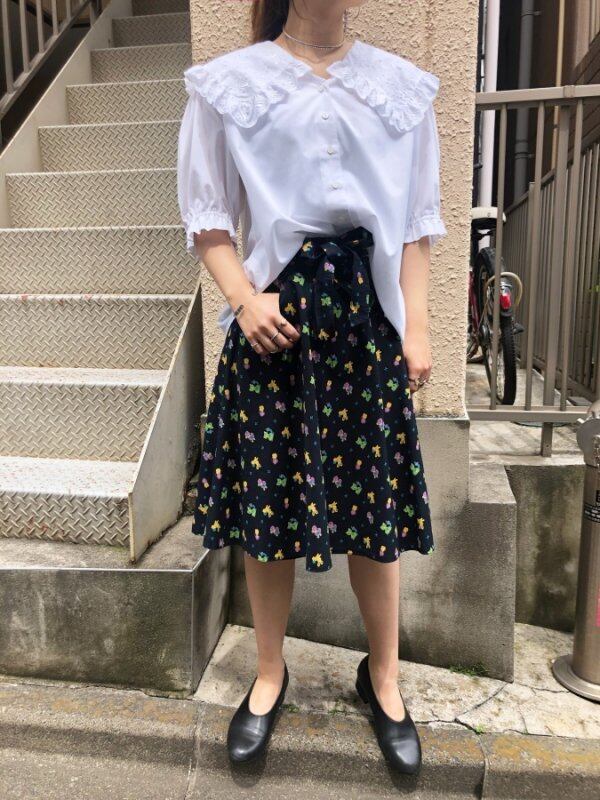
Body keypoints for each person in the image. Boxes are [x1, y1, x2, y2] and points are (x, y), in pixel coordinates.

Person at [177, 0, 447, 776]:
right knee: (271, 507)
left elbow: (415, 226)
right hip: (274, 326)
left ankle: (384, 678)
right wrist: (243, 299)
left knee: (375, 507)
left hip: (366, 327)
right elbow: (208, 218)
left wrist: (418, 327)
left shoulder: (403, 89)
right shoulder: (228, 84)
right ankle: (269, 673)